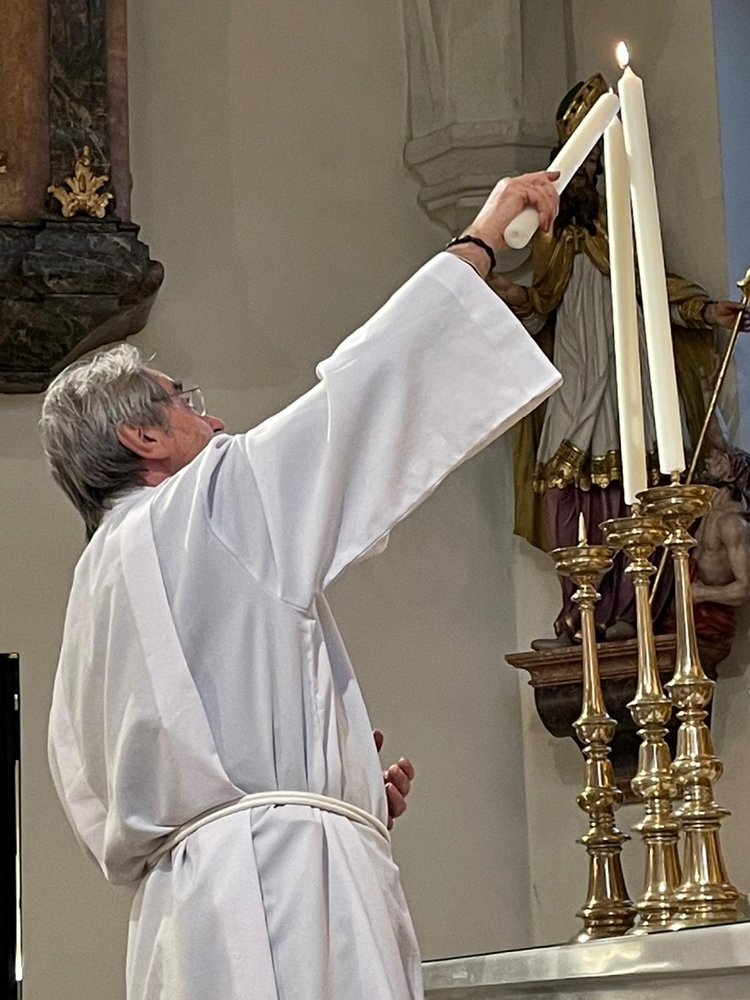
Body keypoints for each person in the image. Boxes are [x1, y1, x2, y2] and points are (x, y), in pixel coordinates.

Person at [42, 172, 561, 1000]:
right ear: (141, 434)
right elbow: (361, 396)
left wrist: (330, 786)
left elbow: (137, 778)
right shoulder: (207, 505)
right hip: (278, 900)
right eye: (187, 404)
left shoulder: (93, 594)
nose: (216, 422)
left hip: (185, 921)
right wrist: (481, 242)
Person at [488, 74, 747, 648]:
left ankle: (633, 605)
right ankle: (581, 608)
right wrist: (506, 292)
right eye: (573, 164)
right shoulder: (550, 239)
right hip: (573, 372)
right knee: (563, 486)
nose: (581, 175)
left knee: (634, 481)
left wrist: (704, 311)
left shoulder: (622, 226)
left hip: (625, 375)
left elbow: (654, 289)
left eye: (589, 164)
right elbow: (542, 304)